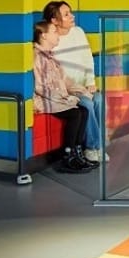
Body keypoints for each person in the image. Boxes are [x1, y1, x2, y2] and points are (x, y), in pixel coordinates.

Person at [42, 0, 107, 164]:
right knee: (88, 104)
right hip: (67, 90)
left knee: (99, 100)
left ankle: (99, 147)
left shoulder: (78, 32)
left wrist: (90, 82)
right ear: (54, 20)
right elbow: (55, 76)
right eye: (66, 14)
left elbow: (87, 58)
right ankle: (92, 148)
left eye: (70, 12)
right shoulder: (51, 40)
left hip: (83, 86)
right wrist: (73, 90)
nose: (72, 16)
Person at [32, 20, 94, 173]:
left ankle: (77, 153)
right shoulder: (37, 57)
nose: (57, 35)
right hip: (45, 101)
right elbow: (40, 87)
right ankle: (67, 157)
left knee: (83, 111)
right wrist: (65, 99)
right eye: (54, 31)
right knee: (75, 114)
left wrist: (83, 91)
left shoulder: (51, 58)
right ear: (44, 35)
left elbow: (66, 81)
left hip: (56, 99)